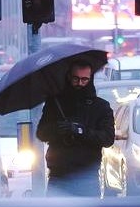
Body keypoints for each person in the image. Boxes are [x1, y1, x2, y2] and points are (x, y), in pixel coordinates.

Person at [35, 62, 114, 196]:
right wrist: (57, 130)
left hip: (87, 175)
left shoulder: (101, 107)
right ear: (69, 77)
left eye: (84, 79)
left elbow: (107, 138)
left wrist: (81, 131)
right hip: (59, 175)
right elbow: (41, 133)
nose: (80, 83)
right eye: (76, 79)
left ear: (90, 79)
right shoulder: (55, 103)